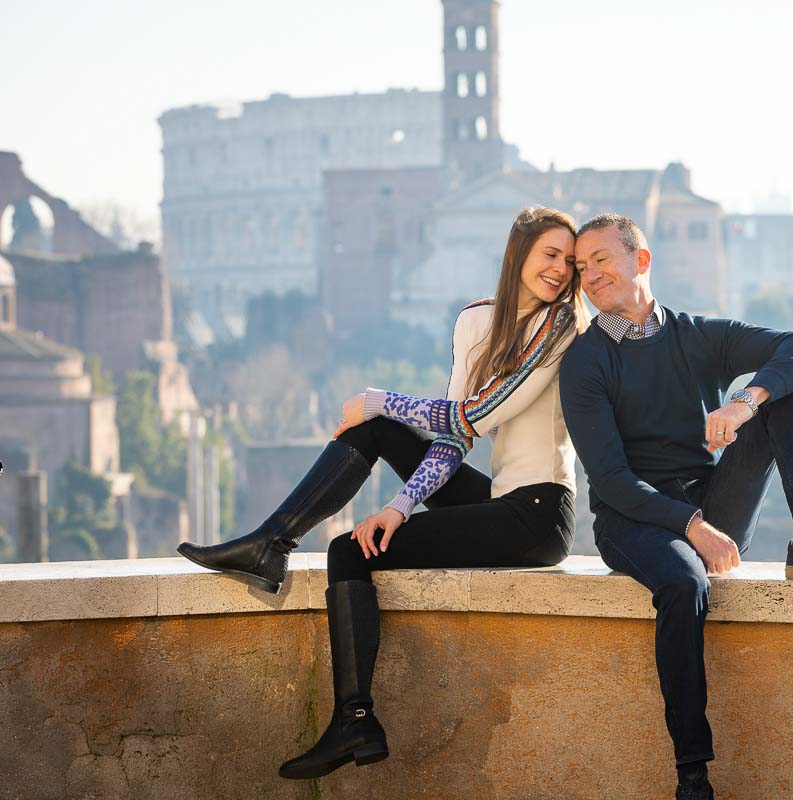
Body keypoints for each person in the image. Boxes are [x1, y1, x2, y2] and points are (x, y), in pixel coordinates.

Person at [177, 206, 586, 779]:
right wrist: (399, 504)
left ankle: (355, 717)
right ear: (518, 254)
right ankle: (272, 542)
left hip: (537, 516)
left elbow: (478, 413)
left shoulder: (562, 325)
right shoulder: (476, 323)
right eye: (550, 255)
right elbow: (454, 437)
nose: (561, 271)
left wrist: (379, 398)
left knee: (349, 548)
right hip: (500, 501)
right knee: (376, 435)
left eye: (569, 262)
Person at [559, 214, 793, 800]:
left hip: (708, 501)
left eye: (600, 258)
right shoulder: (586, 361)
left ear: (640, 261)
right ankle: (692, 772)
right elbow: (612, 480)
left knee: (779, 390)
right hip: (633, 518)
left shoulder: (696, 335)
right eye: (580, 266)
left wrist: (744, 401)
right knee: (682, 581)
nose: (589, 274)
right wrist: (692, 527)